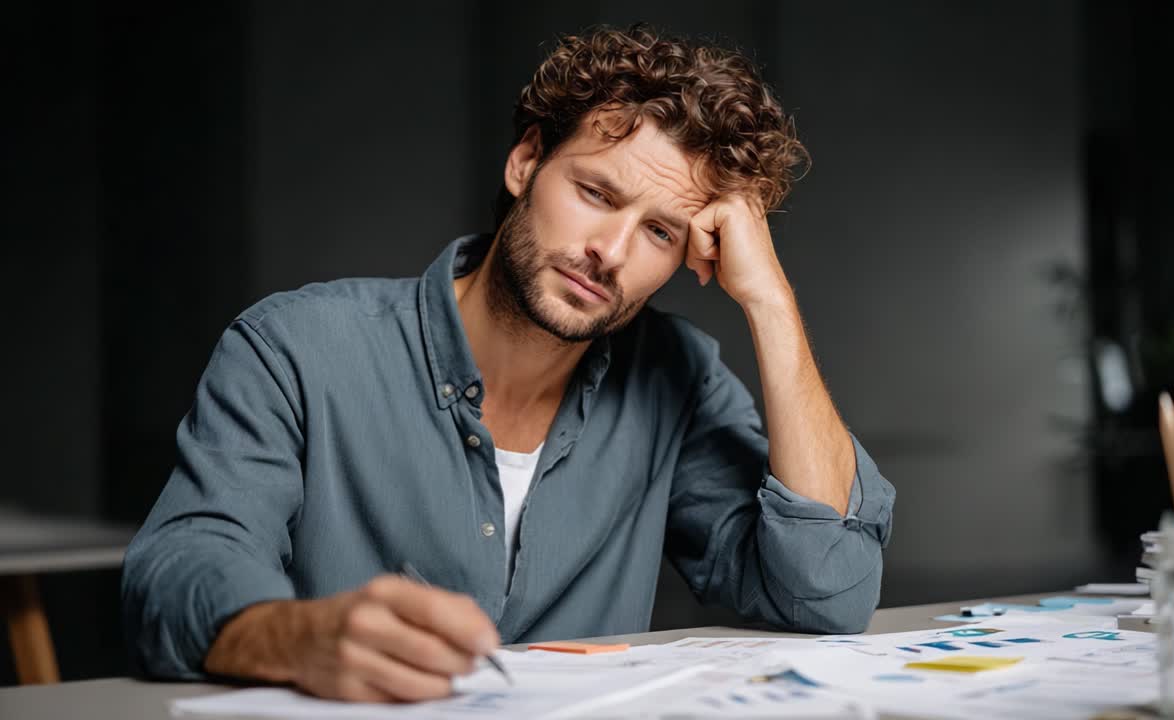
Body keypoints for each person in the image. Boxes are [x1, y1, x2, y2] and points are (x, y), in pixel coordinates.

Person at [122, 23, 895, 703]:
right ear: (526, 162)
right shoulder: (298, 347)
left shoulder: (677, 377)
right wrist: (298, 638)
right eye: (596, 193)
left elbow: (825, 592)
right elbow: (180, 570)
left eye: (661, 232)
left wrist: (769, 301)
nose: (611, 252)